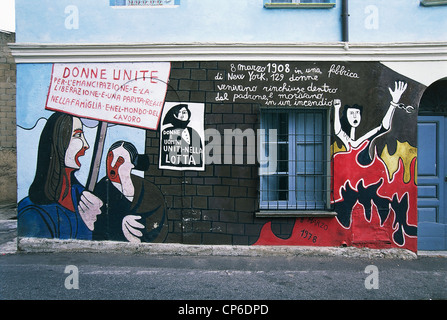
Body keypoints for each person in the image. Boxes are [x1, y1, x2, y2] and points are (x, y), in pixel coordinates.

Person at [18, 112, 103, 239]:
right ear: (58, 140)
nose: (86, 145)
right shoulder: (31, 211)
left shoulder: (81, 196)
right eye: (78, 135)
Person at [93, 141, 168, 243]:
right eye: (110, 157)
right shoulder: (101, 188)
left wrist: (141, 230)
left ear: (132, 164)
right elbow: (99, 227)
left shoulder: (149, 191)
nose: (113, 164)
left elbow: (158, 226)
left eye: (120, 160)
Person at [334, 81, 408, 165]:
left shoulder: (367, 136)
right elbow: (338, 131)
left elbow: (384, 127)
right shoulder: (348, 139)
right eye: (351, 114)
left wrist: (394, 103)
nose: (355, 116)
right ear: (346, 117)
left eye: (357, 113)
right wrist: (336, 109)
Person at [160, 103, 203, 168]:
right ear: (175, 115)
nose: (182, 115)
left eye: (184, 112)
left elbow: (199, 153)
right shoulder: (167, 131)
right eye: (179, 112)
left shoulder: (193, 132)